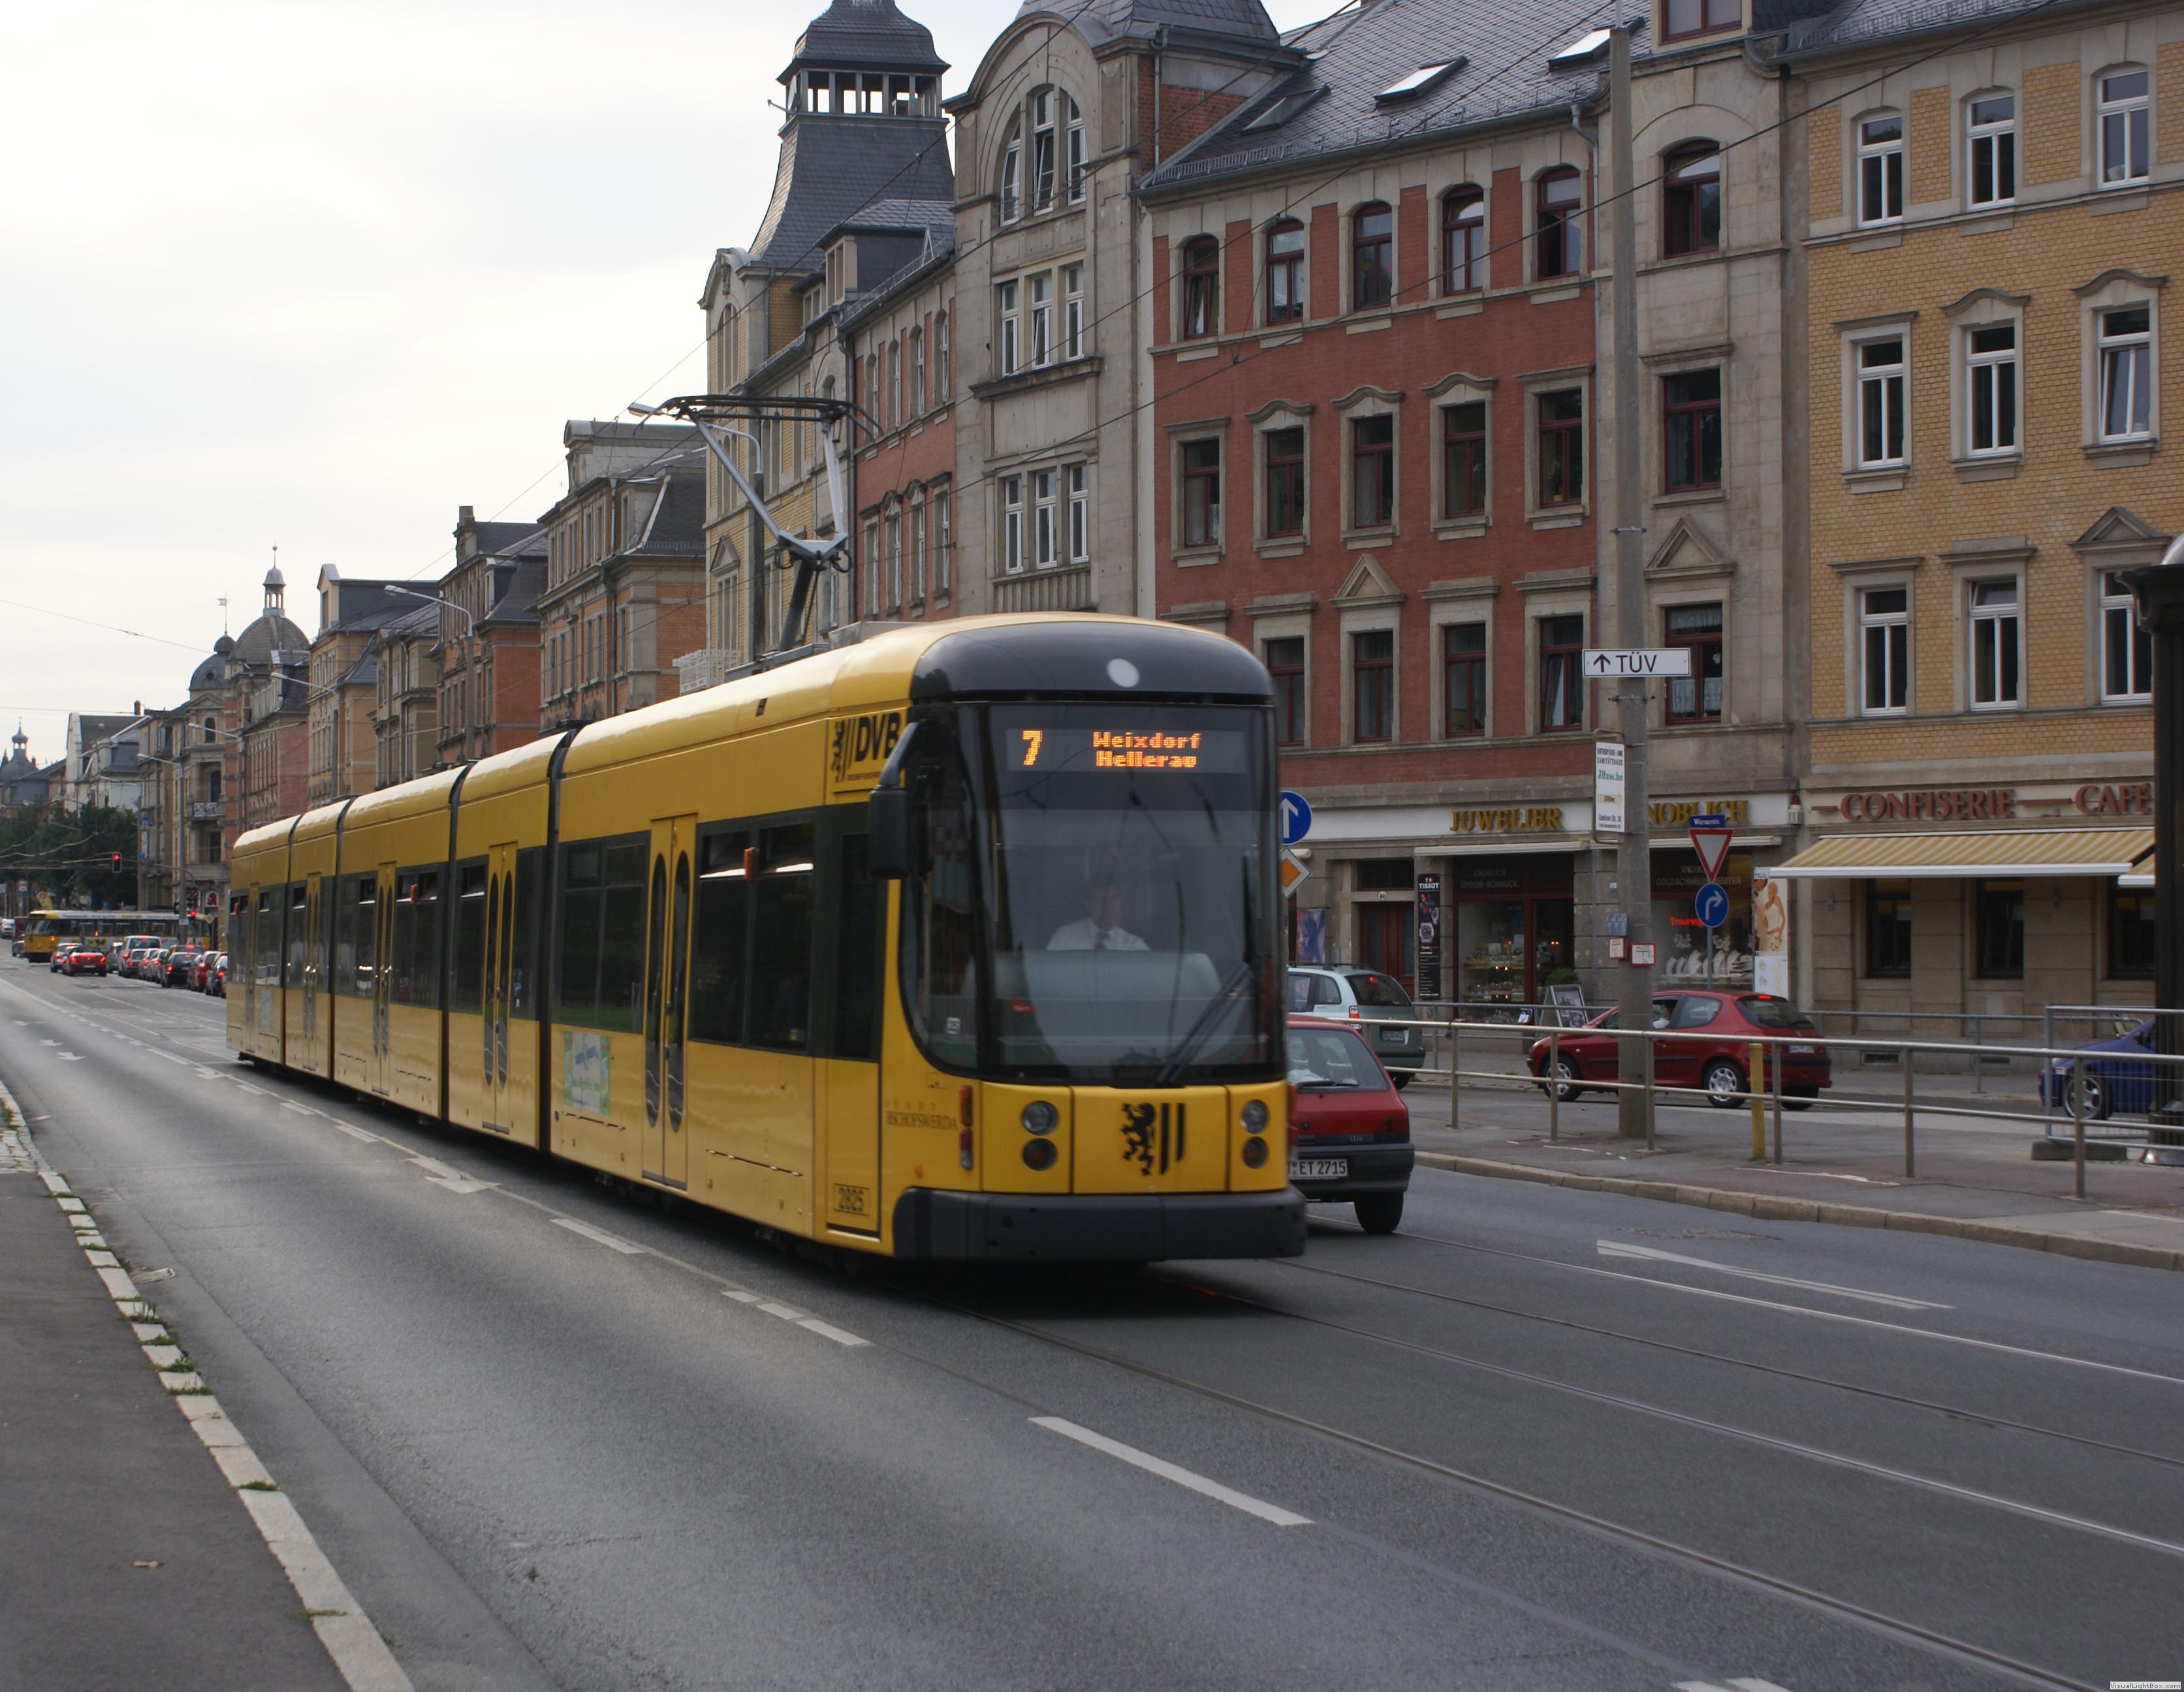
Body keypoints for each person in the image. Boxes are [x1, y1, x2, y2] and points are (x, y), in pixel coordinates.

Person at [1047, 884, 1147, 951]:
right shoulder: (1065, 938)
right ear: (1089, 903)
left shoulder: (1134, 946)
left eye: (1113, 899)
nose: (1108, 905)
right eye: (1101, 899)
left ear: (1122, 904)